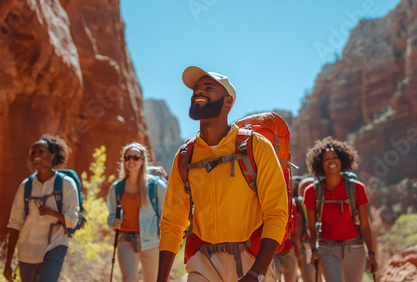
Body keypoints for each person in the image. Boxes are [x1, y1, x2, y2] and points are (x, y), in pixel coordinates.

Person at [157, 66, 288, 282]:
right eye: (196, 89)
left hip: (251, 262)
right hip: (203, 263)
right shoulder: (185, 155)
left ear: (228, 102)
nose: (198, 92)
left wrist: (257, 272)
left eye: (209, 88)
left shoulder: (256, 146)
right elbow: (172, 222)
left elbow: (276, 213)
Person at [4, 134, 79, 282]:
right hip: (27, 251)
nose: (36, 155)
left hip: (55, 245)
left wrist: (51, 213)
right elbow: (15, 224)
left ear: (52, 156)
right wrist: (8, 263)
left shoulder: (66, 184)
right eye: (33, 152)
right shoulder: (26, 186)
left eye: (40, 151)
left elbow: (72, 220)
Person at [303, 136, 378, 282]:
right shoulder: (312, 191)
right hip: (327, 249)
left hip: (355, 248)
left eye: (335, 157)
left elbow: (365, 225)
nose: (331, 161)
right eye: (326, 159)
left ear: (342, 160)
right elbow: (311, 227)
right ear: (319, 163)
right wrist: (313, 251)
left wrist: (372, 253)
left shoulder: (357, 188)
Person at [107, 142, 167, 282]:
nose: (131, 161)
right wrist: (113, 222)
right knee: (129, 278)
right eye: (127, 157)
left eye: (135, 157)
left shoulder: (156, 185)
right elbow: (111, 216)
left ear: (142, 160)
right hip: (125, 240)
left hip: (152, 241)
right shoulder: (117, 188)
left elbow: (165, 214)